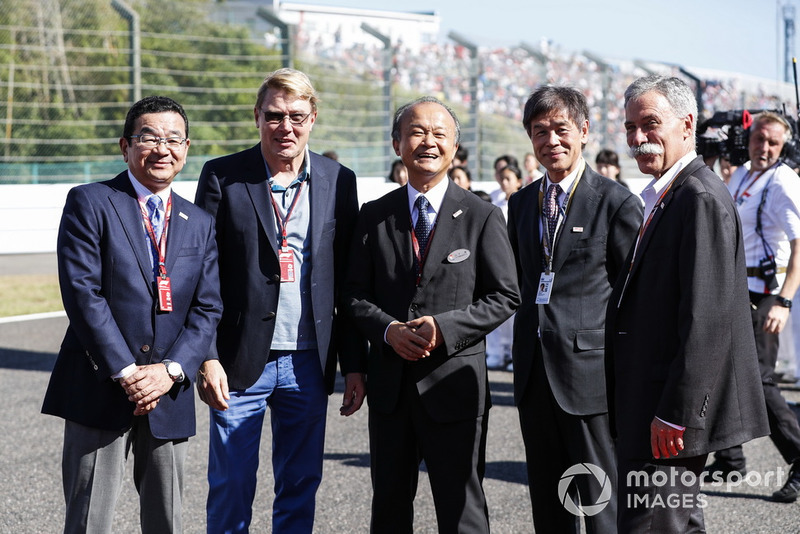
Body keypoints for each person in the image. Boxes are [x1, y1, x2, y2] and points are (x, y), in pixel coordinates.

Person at [194, 68, 367, 533]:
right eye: (274, 115)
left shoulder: (338, 179)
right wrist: (205, 357)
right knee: (230, 485)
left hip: (309, 361)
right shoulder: (223, 176)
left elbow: (348, 283)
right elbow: (201, 274)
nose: (284, 127)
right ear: (257, 117)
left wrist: (354, 365)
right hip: (237, 360)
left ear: (313, 118)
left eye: (296, 116)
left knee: (300, 484)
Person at [41, 95, 223, 533]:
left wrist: (172, 370)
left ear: (186, 148)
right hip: (100, 387)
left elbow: (207, 306)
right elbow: (84, 294)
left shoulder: (198, 221)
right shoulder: (91, 201)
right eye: (148, 137)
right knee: (89, 521)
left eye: (173, 138)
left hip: (169, 393)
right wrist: (127, 372)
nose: (162, 148)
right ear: (125, 146)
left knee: (168, 522)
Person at [344, 96, 520, 533]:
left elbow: (505, 295)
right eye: (417, 132)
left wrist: (445, 328)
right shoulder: (373, 216)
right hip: (391, 390)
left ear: (455, 146)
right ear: (396, 143)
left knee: (463, 513)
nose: (428, 141)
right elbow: (352, 295)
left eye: (440, 133)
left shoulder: (482, 215)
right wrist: (387, 331)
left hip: (456, 388)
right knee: (388, 508)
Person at [608, 75, 768, 532]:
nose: (638, 138)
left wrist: (676, 415)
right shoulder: (669, 195)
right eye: (630, 127)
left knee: (654, 525)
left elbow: (708, 320)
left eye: (650, 123)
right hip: (651, 406)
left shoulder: (698, 197)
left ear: (687, 124)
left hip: (668, 420)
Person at [507, 85, 642, 533]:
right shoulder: (521, 203)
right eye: (539, 131)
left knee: (601, 501)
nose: (551, 141)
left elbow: (634, 297)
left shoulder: (616, 201)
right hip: (533, 373)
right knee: (549, 502)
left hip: (591, 377)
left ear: (583, 131)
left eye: (561, 129)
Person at [708, 111, 800, 502]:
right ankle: (730, 458)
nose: (764, 148)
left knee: (760, 381)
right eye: (759, 139)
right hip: (736, 287)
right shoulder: (743, 173)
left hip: (766, 292)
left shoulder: (784, 182)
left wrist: (783, 301)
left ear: (783, 147)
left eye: (773, 143)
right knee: (716, 370)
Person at [486, 164, 524, 371]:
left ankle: (512, 353)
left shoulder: (525, 201)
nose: (504, 183)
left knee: (513, 312)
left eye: (509, 178)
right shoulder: (495, 200)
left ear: (518, 180)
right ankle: (496, 352)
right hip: (497, 258)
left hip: (515, 260)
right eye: (502, 178)